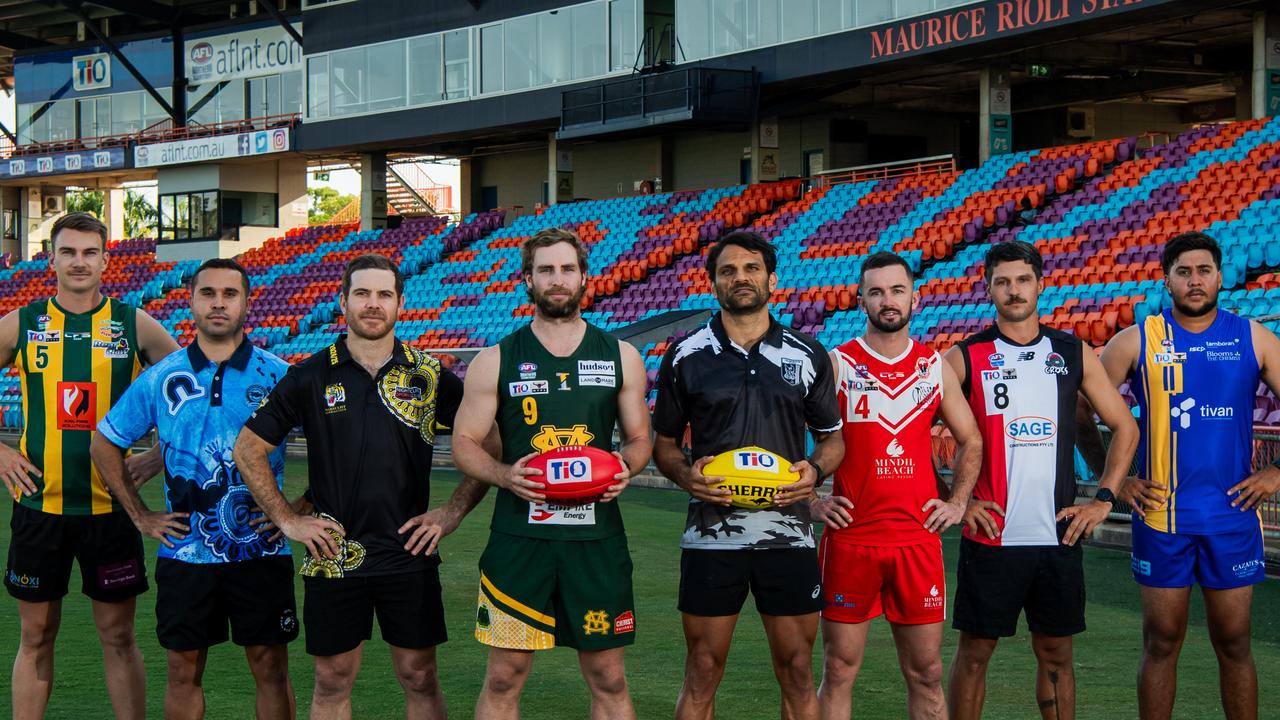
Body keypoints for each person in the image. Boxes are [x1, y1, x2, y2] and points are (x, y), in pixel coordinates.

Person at [234, 253, 466, 720]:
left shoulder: (430, 375)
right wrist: (289, 519)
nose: (373, 304)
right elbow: (247, 449)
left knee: (420, 676)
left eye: (384, 294)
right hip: (333, 555)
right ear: (343, 302)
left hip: (409, 551)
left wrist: (452, 511)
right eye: (362, 294)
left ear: (401, 303)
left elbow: (488, 442)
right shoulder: (309, 375)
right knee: (332, 679)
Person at [450, 227, 653, 720]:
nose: (557, 279)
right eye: (546, 270)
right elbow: (463, 442)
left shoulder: (621, 355)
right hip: (520, 542)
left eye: (566, 269)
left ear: (584, 277)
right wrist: (503, 475)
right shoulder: (495, 360)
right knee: (504, 676)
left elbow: (640, 439)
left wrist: (625, 468)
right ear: (527, 280)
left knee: (608, 677)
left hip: (596, 542)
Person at [91, 258, 298, 720]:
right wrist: (140, 515)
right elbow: (104, 442)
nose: (218, 303)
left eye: (230, 294)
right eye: (208, 294)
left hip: (261, 551)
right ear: (192, 301)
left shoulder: (282, 376)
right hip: (185, 552)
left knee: (271, 668)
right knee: (183, 670)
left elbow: (333, 446)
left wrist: (297, 510)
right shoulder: (162, 376)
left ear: (247, 302)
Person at [653, 230, 845, 720]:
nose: (741, 278)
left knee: (798, 669)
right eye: (728, 270)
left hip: (788, 534)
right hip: (710, 536)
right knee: (701, 668)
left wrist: (815, 469)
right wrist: (685, 477)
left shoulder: (807, 354)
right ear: (713, 283)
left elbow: (833, 439)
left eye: (751, 268)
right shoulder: (685, 354)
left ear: (771, 279)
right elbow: (665, 445)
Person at [1089, 231, 1280, 720]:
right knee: (1161, 642)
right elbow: (1076, 407)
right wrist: (1113, 478)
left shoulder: (1254, 337)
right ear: (1167, 279)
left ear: (1220, 276)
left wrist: (1276, 471)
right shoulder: (1136, 340)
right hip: (1160, 517)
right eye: (1183, 272)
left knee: (1235, 643)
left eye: (1203, 271)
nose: (1194, 281)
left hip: (1231, 517)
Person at [944, 240, 1138, 720]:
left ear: (1041, 284)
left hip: (1057, 533)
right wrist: (955, 501)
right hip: (990, 535)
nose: (1014, 290)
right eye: (1004, 281)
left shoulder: (1072, 351)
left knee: (1056, 656)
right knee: (974, 655)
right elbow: (909, 429)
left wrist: (1103, 500)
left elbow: (1125, 426)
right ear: (987, 288)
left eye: (1023, 279)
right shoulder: (965, 357)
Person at [0, 212, 179, 718]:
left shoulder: (133, 323)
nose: (79, 262)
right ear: (51, 258)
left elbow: (190, 395)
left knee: (119, 635)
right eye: (68, 252)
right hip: (39, 507)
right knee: (34, 635)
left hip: (111, 510)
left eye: (89, 252)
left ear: (105, 259)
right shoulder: (24, 322)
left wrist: (162, 454)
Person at [812, 251, 984, 720]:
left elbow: (970, 440)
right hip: (851, 541)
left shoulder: (933, 367)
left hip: (917, 541)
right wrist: (810, 498)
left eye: (897, 290)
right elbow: (790, 437)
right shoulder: (837, 364)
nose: (888, 301)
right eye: (877, 292)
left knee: (926, 672)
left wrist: (958, 501)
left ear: (915, 296)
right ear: (860, 300)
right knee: (839, 668)